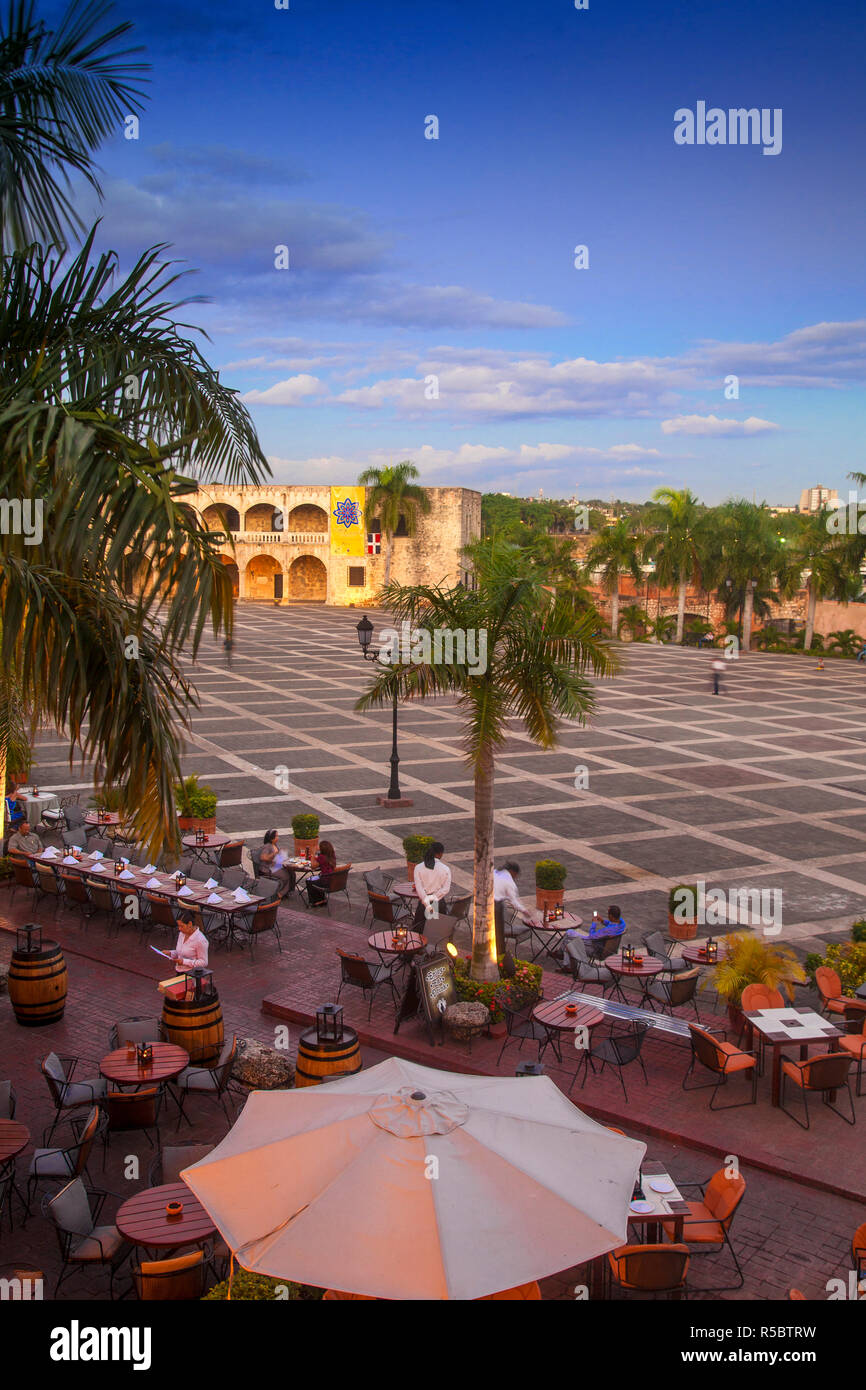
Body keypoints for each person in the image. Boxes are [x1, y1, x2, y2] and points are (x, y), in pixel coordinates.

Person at [493, 861, 537, 958]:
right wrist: (525, 911)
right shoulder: (509, 881)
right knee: (498, 933)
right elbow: (514, 901)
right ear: (513, 872)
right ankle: (500, 955)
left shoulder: (495, 872)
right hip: (495, 907)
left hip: (485, 904)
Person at [412, 841, 451, 926]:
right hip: (439, 903)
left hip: (423, 904)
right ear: (441, 854)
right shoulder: (446, 869)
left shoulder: (418, 867)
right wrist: (433, 898)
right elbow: (446, 889)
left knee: (420, 931)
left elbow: (419, 888)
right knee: (437, 930)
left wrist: (426, 901)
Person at [259, 829, 295, 898]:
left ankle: (289, 890)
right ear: (272, 838)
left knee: (291, 872)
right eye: (276, 836)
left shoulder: (275, 845)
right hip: (268, 868)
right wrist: (273, 854)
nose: (278, 837)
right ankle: (281, 893)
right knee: (286, 875)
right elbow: (263, 857)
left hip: (276, 866)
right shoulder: (268, 846)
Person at [307, 840, 337, 907]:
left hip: (325, 881)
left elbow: (313, 866)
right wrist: (316, 858)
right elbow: (323, 862)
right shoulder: (332, 855)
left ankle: (316, 901)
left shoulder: (322, 857)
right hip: (332, 879)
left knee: (309, 881)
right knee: (316, 878)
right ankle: (322, 899)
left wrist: (313, 853)